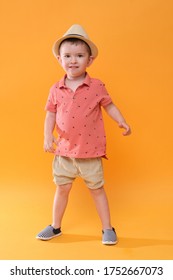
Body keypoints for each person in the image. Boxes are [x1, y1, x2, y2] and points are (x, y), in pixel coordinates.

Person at [36, 24, 131, 245]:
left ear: (89, 60)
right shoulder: (55, 88)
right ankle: (55, 226)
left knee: (97, 190)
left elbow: (110, 106)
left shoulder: (96, 86)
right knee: (62, 189)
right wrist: (47, 137)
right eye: (67, 56)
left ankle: (107, 228)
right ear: (59, 59)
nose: (73, 60)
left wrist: (122, 121)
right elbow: (50, 114)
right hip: (64, 152)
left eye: (79, 55)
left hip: (90, 152)